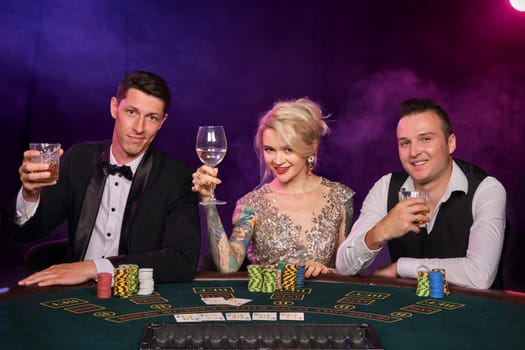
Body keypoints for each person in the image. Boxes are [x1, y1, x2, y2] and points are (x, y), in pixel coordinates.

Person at [10, 71, 201, 286]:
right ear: (114, 107)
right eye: (131, 112)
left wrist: (94, 267)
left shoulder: (178, 177)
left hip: (138, 298)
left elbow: (182, 262)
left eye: (151, 117)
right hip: (75, 295)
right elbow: (26, 232)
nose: (139, 127)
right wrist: (30, 193)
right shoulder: (78, 158)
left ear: (162, 122)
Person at [336, 98, 507, 289]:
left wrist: (401, 267)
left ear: (450, 143)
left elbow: (480, 275)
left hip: (477, 314)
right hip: (408, 312)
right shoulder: (386, 187)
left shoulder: (487, 189)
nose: (414, 152)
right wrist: (379, 233)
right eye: (404, 143)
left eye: (425, 139)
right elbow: (344, 266)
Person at [192, 98, 354, 278]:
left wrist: (326, 271)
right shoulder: (252, 204)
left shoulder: (340, 198)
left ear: (310, 147)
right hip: (268, 302)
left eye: (287, 150)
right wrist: (208, 202)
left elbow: (348, 269)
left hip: (323, 303)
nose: (277, 160)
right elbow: (227, 266)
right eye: (269, 149)